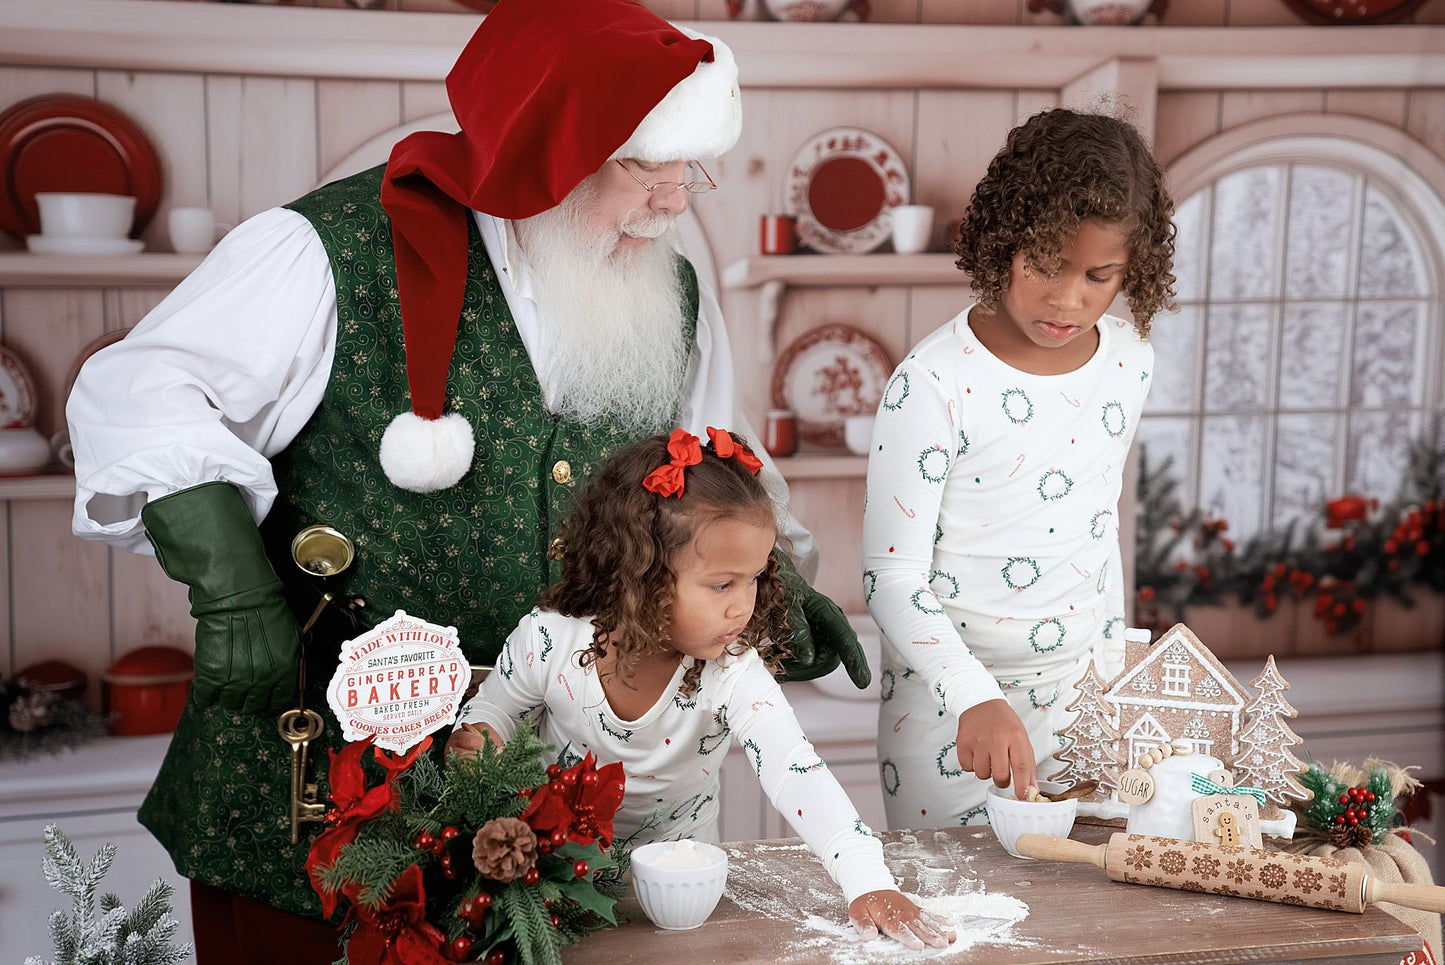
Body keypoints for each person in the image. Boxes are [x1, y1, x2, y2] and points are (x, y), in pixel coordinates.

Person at [65, 1, 865, 960]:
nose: (674, 201)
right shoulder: (329, 252)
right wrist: (234, 596)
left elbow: (705, 474)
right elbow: (139, 390)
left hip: (549, 823)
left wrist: (776, 591)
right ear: (541, 151)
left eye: (686, 167)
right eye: (643, 166)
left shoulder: (668, 288)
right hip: (318, 793)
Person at [448, 428, 956, 951]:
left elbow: (794, 768)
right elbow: (495, 710)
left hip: (679, 890)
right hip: (550, 878)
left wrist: (867, 878)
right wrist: (478, 737)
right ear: (639, 574)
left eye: (754, 578)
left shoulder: (732, 668)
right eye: (721, 585)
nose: (743, 606)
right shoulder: (552, 636)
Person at [861, 108, 1176, 830]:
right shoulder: (931, 382)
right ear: (1003, 242)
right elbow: (890, 577)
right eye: (1045, 265)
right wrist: (973, 693)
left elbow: (1097, 528)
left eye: (1099, 276)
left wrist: (1116, 671)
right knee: (965, 923)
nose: (1069, 299)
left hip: (1077, 700)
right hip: (949, 709)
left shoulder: (1130, 360)